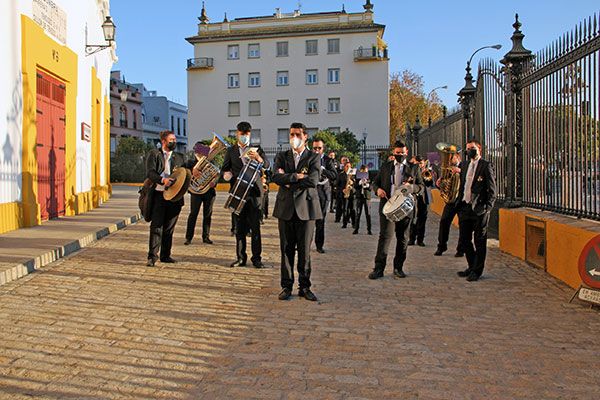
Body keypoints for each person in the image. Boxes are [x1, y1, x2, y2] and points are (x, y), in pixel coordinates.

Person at [272, 122, 322, 301]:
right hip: (285, 209)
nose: (294, 138)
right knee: (286, 250)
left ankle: (304, 286)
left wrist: (288, 180)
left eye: (298, 135)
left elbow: (313, 180)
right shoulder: (281, 156)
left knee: (304, 251)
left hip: (306, 209)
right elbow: (275, 177)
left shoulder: (313, 157)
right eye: (292, 134)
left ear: (305, 136)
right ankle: (286, 286)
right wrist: (296, 176)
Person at [368, 142, 424, 279]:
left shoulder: (414, 168)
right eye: (397, 152)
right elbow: (375, 183)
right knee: (385, 237)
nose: (399, 155)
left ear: (407, 151)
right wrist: (378, 190)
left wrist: (412, 188)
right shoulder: (386, 167)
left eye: (402, 152)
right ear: (393, 152)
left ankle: (398, 268)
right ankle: (378, 268)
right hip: (388, 205)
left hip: (405, 208)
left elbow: (421, 187)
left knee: (403, 238)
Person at [222, 121, 269, 268]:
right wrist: (226, 175)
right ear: (237, 133)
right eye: (242, 134)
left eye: (247, 134)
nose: (244, 136)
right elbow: (225, 169)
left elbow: (267, 165)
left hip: (254, 194)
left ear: (250, 134)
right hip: (238, 193)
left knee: (255, 228)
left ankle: (257, 259)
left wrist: (259, 158)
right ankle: (241, 258)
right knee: (239, 228)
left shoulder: (257, 149)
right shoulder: (231, 151)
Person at [456, 139, 496, 282]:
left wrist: (487, 208)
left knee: (479, 241)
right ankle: (471, 265)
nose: (469, 151)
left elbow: (492, 190)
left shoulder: (485, 165)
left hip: (479, 209)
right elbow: (462, 185)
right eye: (467, 149)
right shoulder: (465, 165)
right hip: (465, 207)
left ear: (479, 149)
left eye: (472, 148)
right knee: (464, 240)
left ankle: (477, 271)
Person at [145, 130, 188, 266]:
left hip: (175, 197)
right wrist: (162, 180)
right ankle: (152, 257)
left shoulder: (180, 157)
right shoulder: (154, 154)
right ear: (163, 141)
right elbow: (150, 172)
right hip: (159, 195)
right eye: (171, 140)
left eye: (175, 139)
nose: (174, 142)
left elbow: (186, 172)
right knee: (156, 226)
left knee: (169, 228)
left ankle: (165, 255)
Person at [184, 142, 216, 246]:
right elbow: (182, 173)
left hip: (209, 192)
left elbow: (216, 175)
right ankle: (188, 237)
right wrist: (192, 172)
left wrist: (213, 183)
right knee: (193, 214)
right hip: (196, 192)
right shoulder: (190, 163)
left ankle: (206, 237)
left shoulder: (211, 162)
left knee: (207, 215)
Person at [434, 152, 464, 257]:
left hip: (462, 201)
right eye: (450, 158)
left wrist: (460, 171)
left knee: (463, 225)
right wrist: (439, 184)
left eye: (452, 158)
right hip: (451, 201)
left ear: (458, 157)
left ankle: (461, 249)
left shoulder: (464, 166)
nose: (450, 160)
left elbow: (470, 176)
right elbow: (445, 186)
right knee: (444, 222)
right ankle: (441, 246)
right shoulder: (448, 170)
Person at [313, 139, 338, 253]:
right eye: (315, 148)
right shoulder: (308, 158)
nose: (317, 150)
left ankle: (319, 245)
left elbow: (334, 175)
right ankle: (304, 244)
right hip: (311, 191)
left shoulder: (328, 160)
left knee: (320, 220)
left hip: (323, 192)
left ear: (323, 149)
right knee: (307, 219)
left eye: (319, 148)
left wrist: (323, 170)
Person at [409, 156, 433, 246]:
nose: (420, 165)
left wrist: (427, 177)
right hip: (414, 197)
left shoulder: (427, 172)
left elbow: (430, 184)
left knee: (422, 219)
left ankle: (420, 239)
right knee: (413, 218)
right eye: (418, 163)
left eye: (421, 163)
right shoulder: (412, 171)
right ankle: (411, 239)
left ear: (424, 163)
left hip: (423, 198)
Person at [353, 164, 372, 235]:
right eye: (362, 171)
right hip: (359, 197)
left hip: (367, 197)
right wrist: (359, 183)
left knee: (368, 214)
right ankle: (356, 229)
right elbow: (355, 186)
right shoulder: (357, 177)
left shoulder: (370, 177)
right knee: (358, 213)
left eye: (365, 171)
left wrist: (367, 185)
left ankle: (369, 230)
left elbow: (371, 187)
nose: (364, 172)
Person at [338, 162, 356, 229]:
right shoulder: (341, 175)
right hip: (345, 193)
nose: (348, 168)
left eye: (349, 166)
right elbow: (337, 184)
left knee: (353, 209)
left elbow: (357, 185)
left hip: (352, 193)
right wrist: (342, 190)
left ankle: (354, 223)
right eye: (347, 166)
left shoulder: (353, 175)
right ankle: (344, 223)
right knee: (345, 209)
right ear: (344, 167)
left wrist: (353, 183)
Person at [334, 156, 349, 222]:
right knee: (339, 206)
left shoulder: (351, 173)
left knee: (347, 207)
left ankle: (346, 219)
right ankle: (338, 218)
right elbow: (336, 183)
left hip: (348, 192)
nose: (344, 161)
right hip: (340, 192)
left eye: (346, 160)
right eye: (343, 160)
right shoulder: (339, 171)